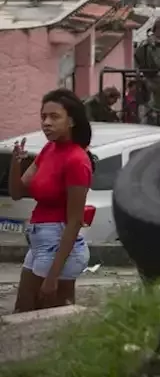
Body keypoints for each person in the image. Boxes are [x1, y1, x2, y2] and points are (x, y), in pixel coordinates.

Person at [8, 89, 94, 312]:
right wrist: (16, 163)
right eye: (43, 117)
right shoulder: (49, 149)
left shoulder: (77, 160)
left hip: (60, 243)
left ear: (72, 120)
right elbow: (17, 192)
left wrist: (53, 276)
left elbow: (75, 221)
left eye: (54, 117)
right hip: (39, 241)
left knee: (49, 314)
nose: (46, 123)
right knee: (24, 309)